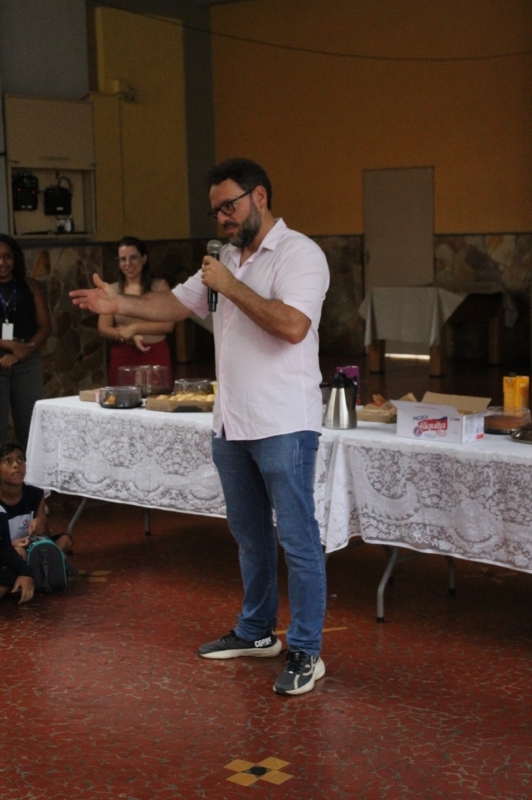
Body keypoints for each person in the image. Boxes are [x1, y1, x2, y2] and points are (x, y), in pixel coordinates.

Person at [71, 158, 330, 696]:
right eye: (215, 212)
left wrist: (230, 286)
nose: (222, 219)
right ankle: (257, 631)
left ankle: (307, 649)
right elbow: (174, 303)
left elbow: (292, 326)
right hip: (232, 422)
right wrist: (118, 302)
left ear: (260, 197)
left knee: (298, 538)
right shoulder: (224, 259)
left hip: (284, 422)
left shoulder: (300, 253)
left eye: (229, 206)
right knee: (250, 536)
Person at [97, 236, 174, 386]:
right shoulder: (112, 290)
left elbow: (168, 325)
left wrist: (134, 328)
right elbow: (103, 328)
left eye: (133, 258)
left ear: (144, 259)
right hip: (123, 354)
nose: (128, 264)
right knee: (121, 398)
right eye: (123, 259)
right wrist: (132, 337)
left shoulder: (160, 286)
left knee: (157, 397)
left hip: (154, 352)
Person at [0, 234, 52, 448]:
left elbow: (45, 326)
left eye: (7, 256)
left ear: (15, 258)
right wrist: (12, 347)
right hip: (4, 355)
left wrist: (25, 350)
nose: (2, 262)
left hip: (27, 358)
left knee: (30, 425)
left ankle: (30, 469)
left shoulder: (30, 285)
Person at [0, 441, 72, 558]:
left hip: (30, 545)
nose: (16, 465)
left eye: (20, 459)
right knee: (20, 553)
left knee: (65, 541)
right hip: (7, 550)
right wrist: (11, 545)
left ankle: (36, 562)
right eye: (8, 461)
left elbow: (45, 535)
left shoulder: (35, 494)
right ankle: (40, 564)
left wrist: (40, 525)